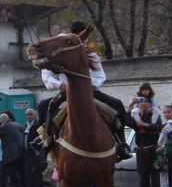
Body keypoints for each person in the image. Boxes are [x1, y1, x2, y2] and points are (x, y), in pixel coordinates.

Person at [32, 20, 131, 161]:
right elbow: (46, 75)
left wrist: (87, 86)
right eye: (80, 37)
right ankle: (44, 141)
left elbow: (100, 77)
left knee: (117, 104)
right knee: (43, 106)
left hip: (90, 92)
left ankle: (120, 143)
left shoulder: (92, 56)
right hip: (66, 92)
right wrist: (59, 85)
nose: (83, 40)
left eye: (84, 37)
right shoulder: (63, 53)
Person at [130, 98, 163, 187]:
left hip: (154, 150)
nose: (143, 104)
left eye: (145, 102)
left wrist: (145, 125)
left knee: (156, 181)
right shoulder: (136, 115)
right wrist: (130, 107)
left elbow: (157, 127)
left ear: (150, 104)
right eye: (140, 103)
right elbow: (130, 123)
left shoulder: (155, 114)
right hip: (141, 151)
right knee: (143, 181)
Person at [23, 109, 44, 187]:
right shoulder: (26, 125)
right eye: (27, 114)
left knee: (36, 171)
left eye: (30, 114)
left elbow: (41, 138)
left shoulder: (38, 125)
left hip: (35, 151)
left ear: (35, 115)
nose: (28, 116)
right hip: (27, 151)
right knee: (28, 170)